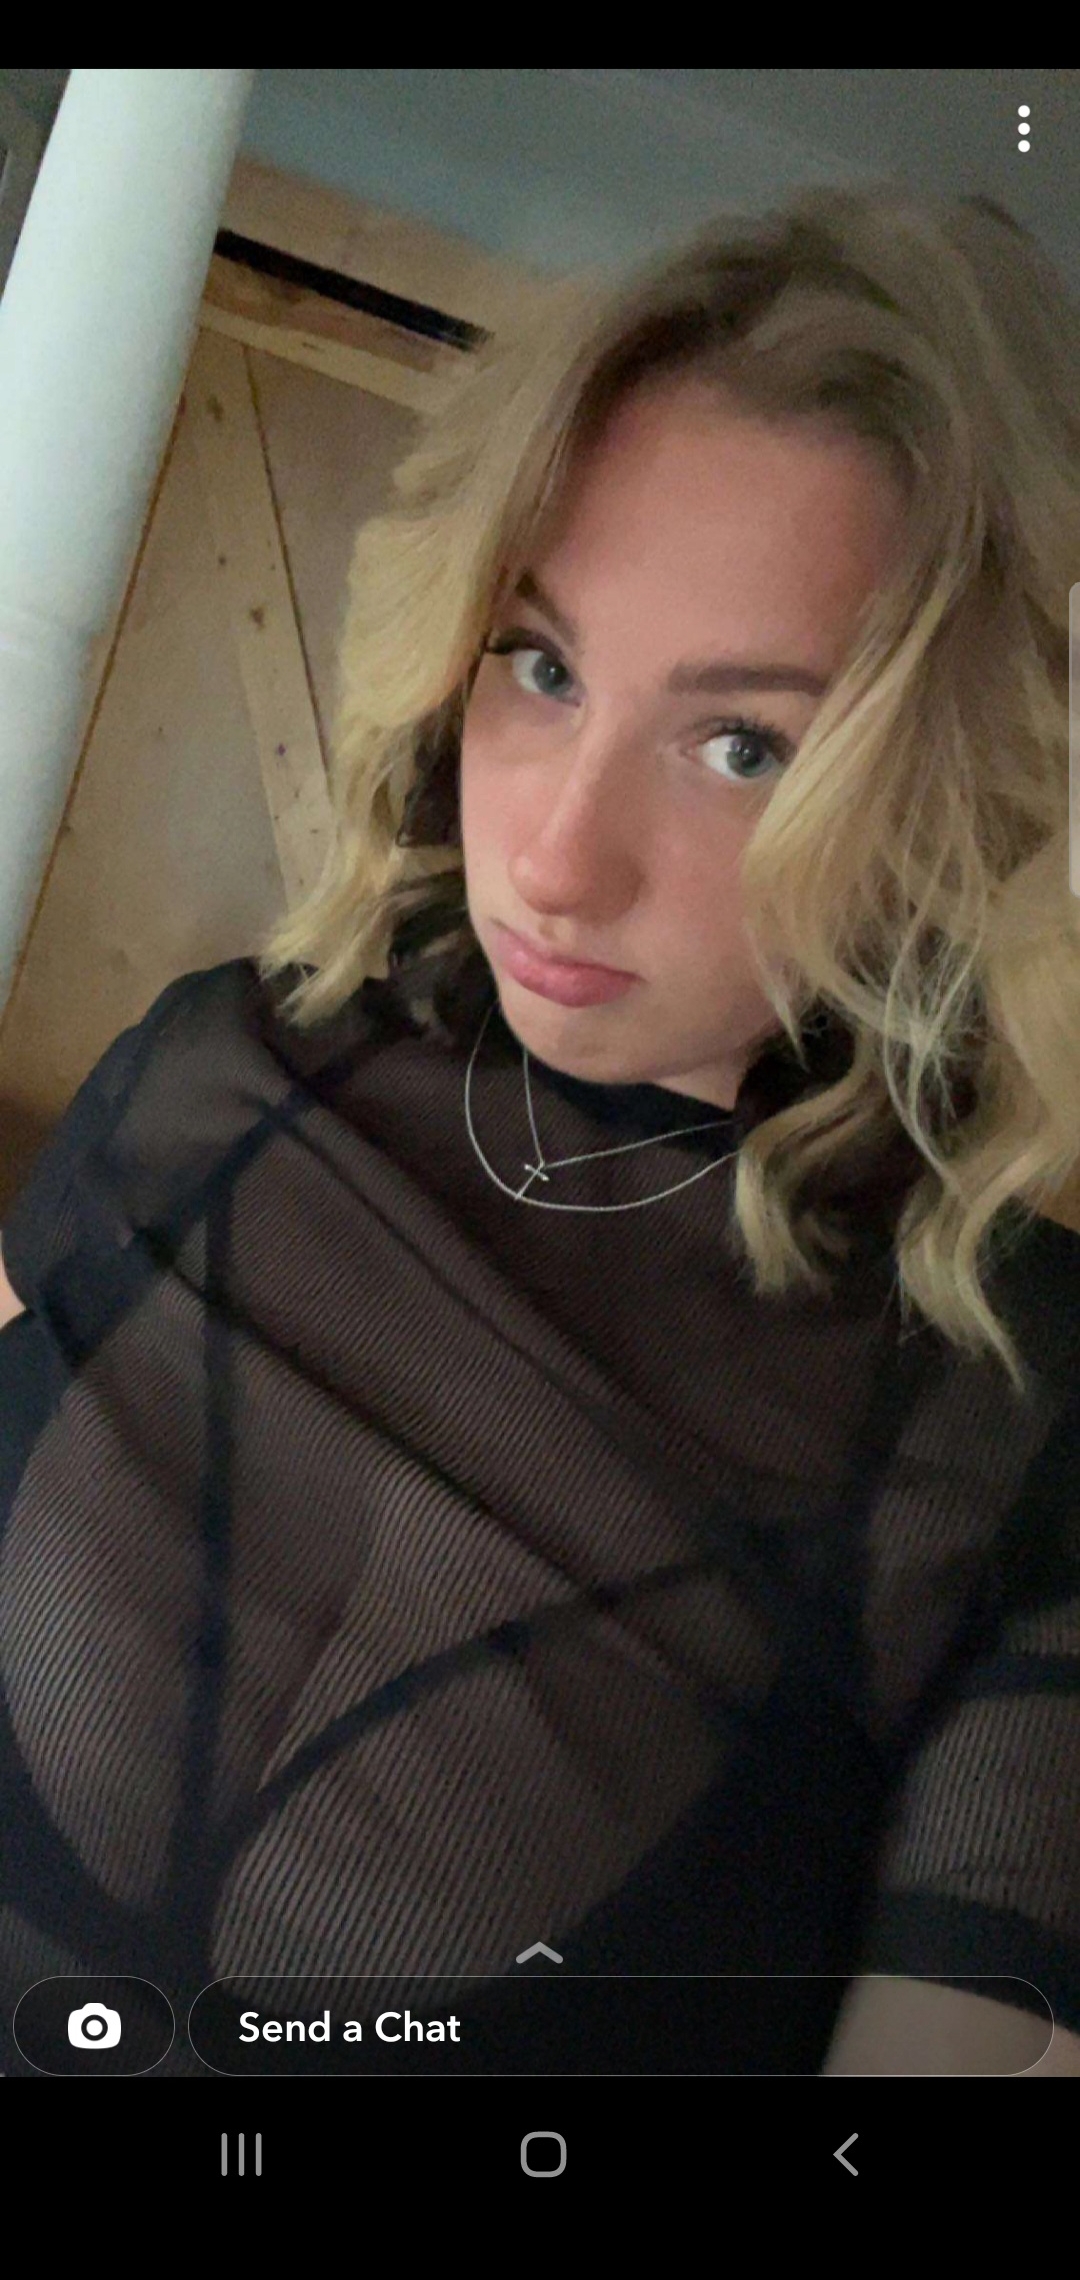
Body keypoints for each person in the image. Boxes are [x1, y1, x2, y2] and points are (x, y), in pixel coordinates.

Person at [2, 182, 1079, 2078]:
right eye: (543, 664)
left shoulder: (1006, 1413)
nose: (560, 862)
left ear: (945, 792)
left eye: (743, 745)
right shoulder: (231, 1061)